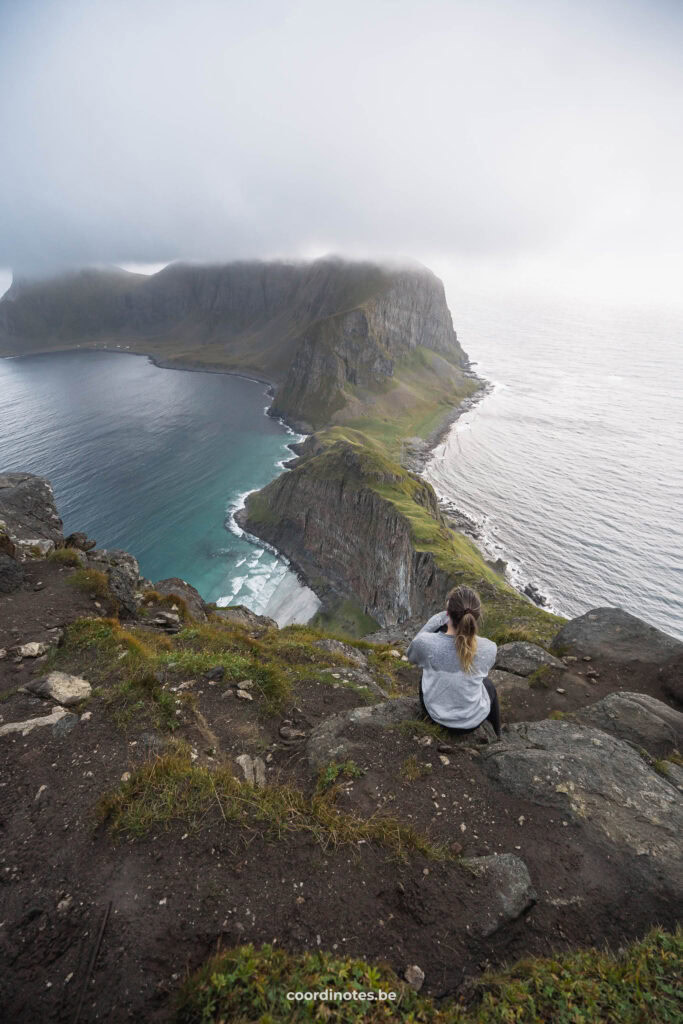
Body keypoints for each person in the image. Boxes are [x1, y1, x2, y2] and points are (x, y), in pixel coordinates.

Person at [407, 585, 501, 738]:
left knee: (426, 672)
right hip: (471, 723)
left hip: (436, 718)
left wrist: (437, 619)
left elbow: (411, 655)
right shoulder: (490, 648)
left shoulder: (426, 643)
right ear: (476, 617)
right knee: (488, 685)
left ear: (447, 611)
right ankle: (498, 733)